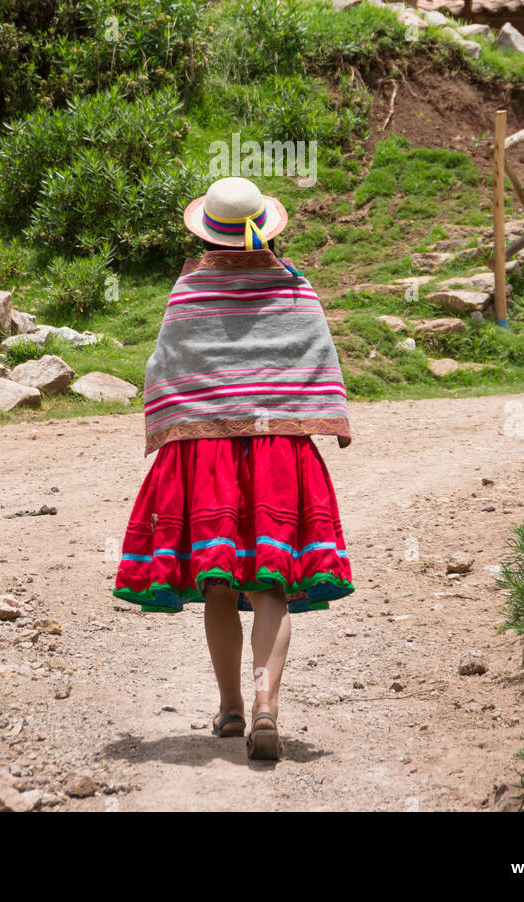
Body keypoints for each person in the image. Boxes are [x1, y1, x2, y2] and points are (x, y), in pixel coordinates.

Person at [113, 175, 354, 761]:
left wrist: (179, 424)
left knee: (218, 581)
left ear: (209, 235)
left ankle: (230, 710)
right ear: (265, 229)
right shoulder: (296, 292)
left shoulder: (189, 291)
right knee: (271, 582)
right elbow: (316, 358)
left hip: (205, 454)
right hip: (278, 451)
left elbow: (167, 368)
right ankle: (266, 702)